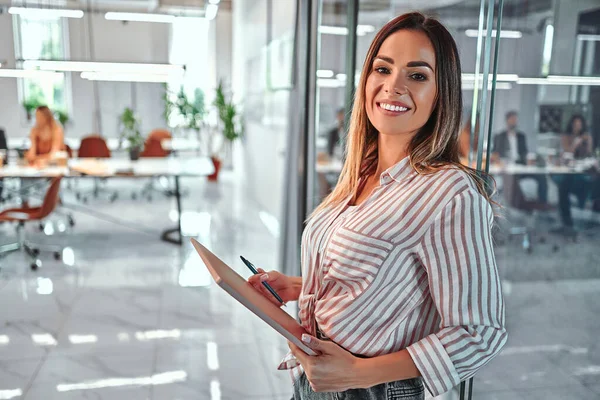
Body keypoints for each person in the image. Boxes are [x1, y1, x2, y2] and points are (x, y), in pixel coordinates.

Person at [249, 12, 506, 399]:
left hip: (370, 391)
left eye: (417, 76)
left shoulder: (449, 193)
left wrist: (359, 373)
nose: (393, 86)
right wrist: (297, 287)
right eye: (382, 69)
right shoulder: (361, 173)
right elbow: (387, 279)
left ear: (442, 94)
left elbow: (480, 333)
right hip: (315, 381)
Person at [491, 111, 548, 205]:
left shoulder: (521, 136)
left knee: (541, 176)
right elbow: (495, 153)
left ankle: (542, 204)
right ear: (507, 120)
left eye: (515, 120)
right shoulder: (499, 136)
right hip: (507, 167)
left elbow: (525, 152)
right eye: (512, 119)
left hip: (521, 165)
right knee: (512, 179)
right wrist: (499, 161)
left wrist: (528, 160)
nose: (514, 122)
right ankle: (519, 204)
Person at [555, 114, 595, 230]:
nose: (577, 127)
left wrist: (588, 142)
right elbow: (567, 152)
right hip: (568, 170)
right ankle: (567, 221)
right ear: (571, 125)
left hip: (583, 170)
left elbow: (589, 154)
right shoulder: (566, 137)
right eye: (575, 124)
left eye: (579, 125)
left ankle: (589, 218)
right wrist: (576, 142)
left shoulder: (586, 138)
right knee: (564, 186)